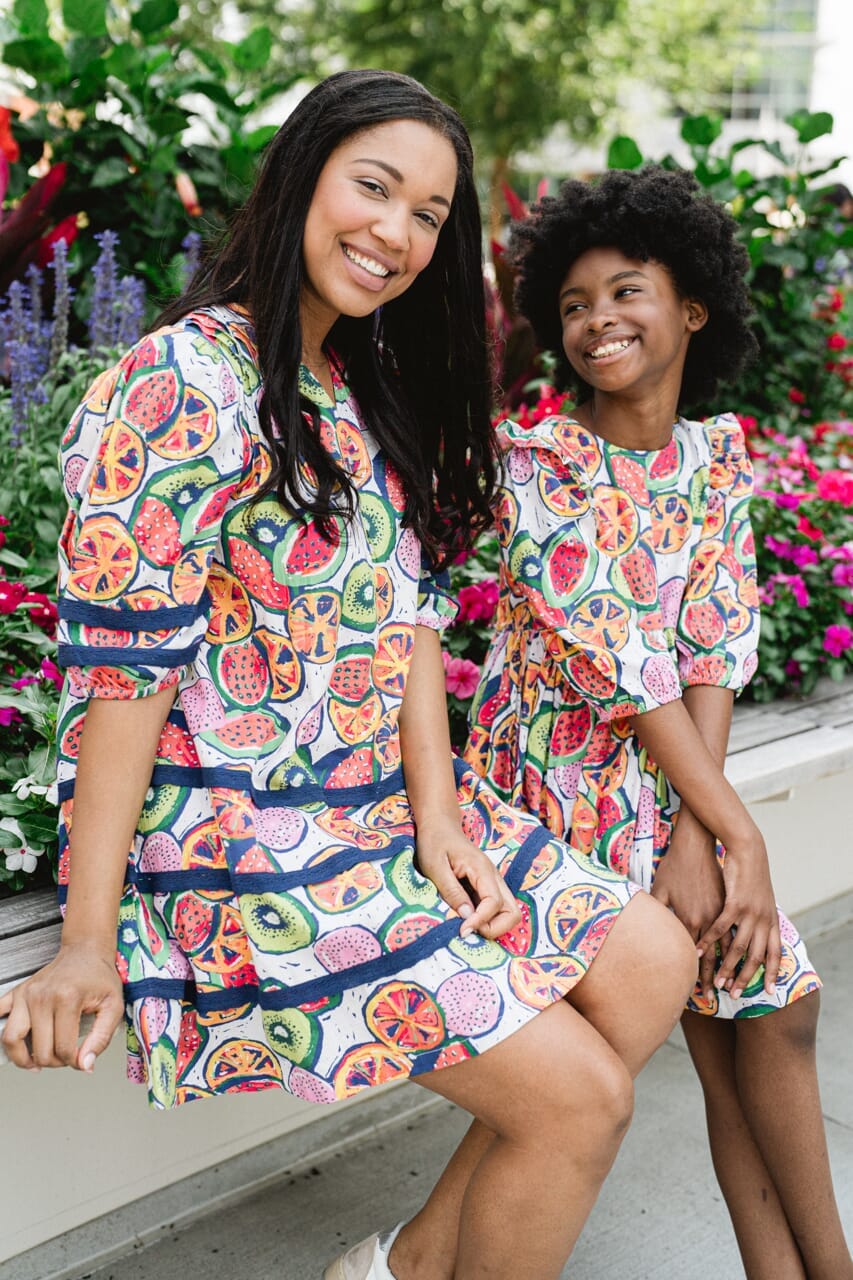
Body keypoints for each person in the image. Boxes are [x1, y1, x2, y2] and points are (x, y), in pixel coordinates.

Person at [0, 74, 697, 1280]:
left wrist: (440, 817)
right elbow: (122, 674)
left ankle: (403, 1268)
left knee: (650, 961)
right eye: (374, 187)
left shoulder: (353, 388)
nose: (396, 232)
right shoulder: (178, 384)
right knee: (580, 1101)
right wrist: (86, 940)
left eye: (429, 214)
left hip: (374, 806)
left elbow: (410, 620)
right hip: (248, 838)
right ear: (299, 176)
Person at [461, 165, 853, 1280]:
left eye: (626, 291)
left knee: (769, 1010)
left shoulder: (713, 460)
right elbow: (627, 668)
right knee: (727, 1009)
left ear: (691, 308)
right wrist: (743, 836)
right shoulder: (540, 464)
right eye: (574, 303)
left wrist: (702, 831)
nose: (597, 321)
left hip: (671, 790)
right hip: (553, 800)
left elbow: (713, 648)